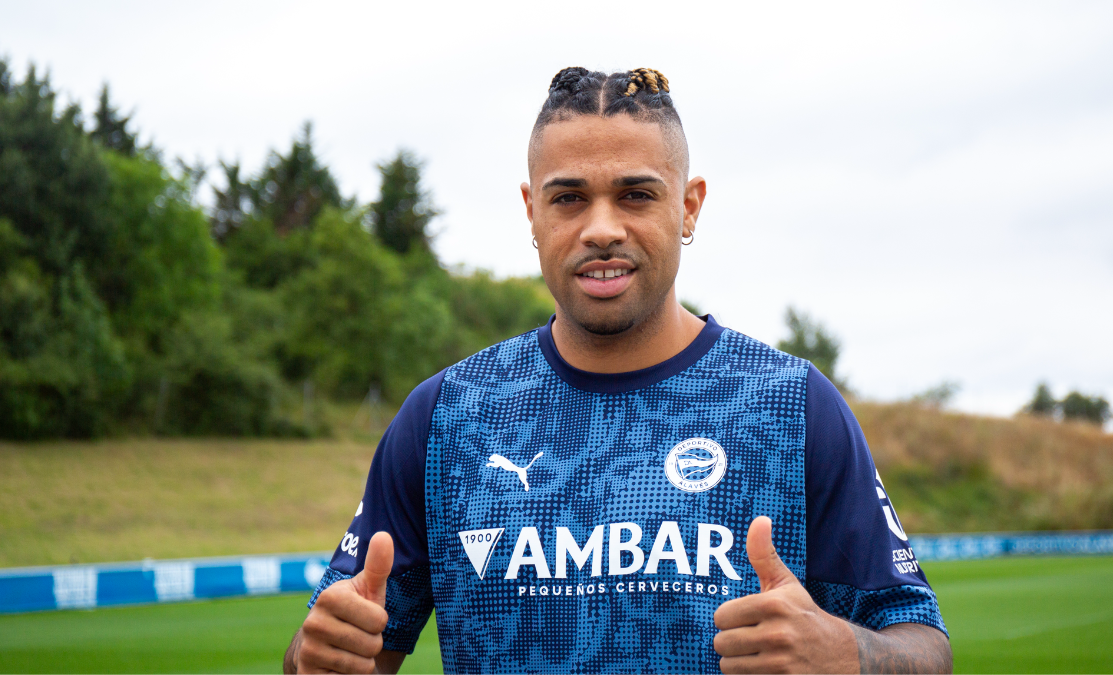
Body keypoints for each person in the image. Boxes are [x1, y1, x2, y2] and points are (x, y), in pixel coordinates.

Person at [284, 67, 951, 674]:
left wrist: (850, 654)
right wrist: (316, 657)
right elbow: (335, 650)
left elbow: (924, 648)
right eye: (569, 198)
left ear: (688, 206)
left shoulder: (790, 404)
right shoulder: (447, 416)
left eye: (635, 195)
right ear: (531, 212)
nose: (602, 228)